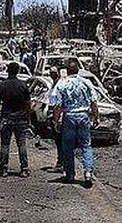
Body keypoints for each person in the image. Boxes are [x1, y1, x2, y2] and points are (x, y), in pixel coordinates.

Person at [53, 57, 98, 186]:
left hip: (69, 117)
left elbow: (58, 105)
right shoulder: (86, 83)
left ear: (66, 71)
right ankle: (88, 172)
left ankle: (70, 174)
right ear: (78, 70)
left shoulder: (62, 84)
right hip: (83, 116)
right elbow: (93, 102)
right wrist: (96, 117)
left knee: (68, 147)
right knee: (86, 145)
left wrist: (56, 121)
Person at [0, 61, 32, 177]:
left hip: (6, 118)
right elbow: (28, 104)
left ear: (7, 71)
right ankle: (24, 169)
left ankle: (3, 169)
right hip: (21, 119)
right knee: (22, 144)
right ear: (18, 71)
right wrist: (28, 119)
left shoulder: (2, 85)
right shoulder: (23, 85)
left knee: (5, 145)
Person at [47, 68, 65, 173]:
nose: (52, 74)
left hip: (58, 116)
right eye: (51, 72)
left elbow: (58, 104)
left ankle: (61, 163)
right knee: (58, 142)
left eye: (53, 72)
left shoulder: (60, 85)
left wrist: (56, 119)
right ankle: (60, 162)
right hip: (53, 114)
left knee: (60, 141)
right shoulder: (53, 84)